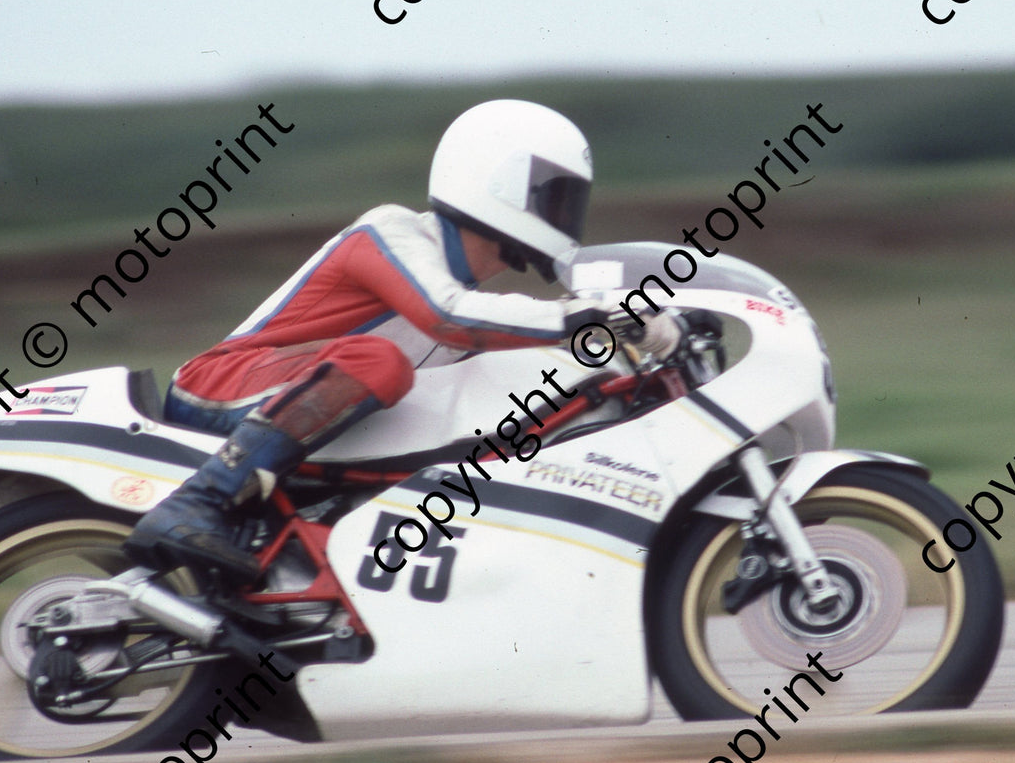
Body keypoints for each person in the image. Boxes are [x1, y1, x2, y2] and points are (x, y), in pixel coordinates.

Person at [124, 98, 642, 583]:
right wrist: (583, 314)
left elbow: (488, 332)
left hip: (287, 409)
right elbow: (446, 315)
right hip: (219, 384)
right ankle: (198, 503)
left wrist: (631, 343)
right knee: (379, 360)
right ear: (496, 181)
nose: (560, 216)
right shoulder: (390, 232)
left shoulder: (469, 308)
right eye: (551, 196)